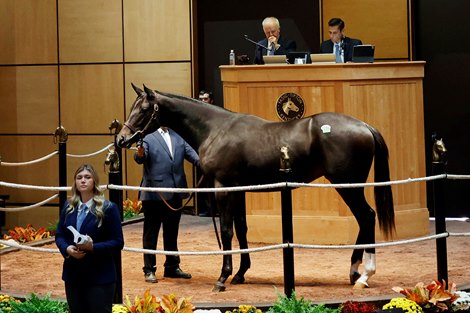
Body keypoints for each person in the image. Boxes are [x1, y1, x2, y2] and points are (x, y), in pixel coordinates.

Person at [55, 164, 124, 313]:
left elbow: (118, 242)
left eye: (87, 177)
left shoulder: (108, 208)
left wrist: (93, 247)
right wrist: (66, 249)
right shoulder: (68, 206)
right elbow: (60, 235)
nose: (83, 181)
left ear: (94, 182)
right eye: (79, 178)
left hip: (100, 277)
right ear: (75, 182)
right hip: (73, 275)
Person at [134, 126, 200, 283]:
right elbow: (140, 158)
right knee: (151, 233)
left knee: (172, 232)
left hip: (175, 192)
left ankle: (172, 267)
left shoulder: (179, 136)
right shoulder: (148, 136)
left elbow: (195, 158)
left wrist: (211, 163)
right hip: (154, 194)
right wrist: (140, 153)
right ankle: (149, 269)